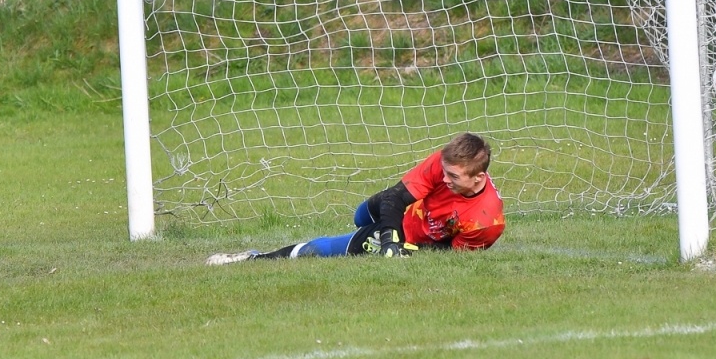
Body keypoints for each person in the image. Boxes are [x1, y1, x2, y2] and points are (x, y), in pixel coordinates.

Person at [206, 132, 504, 264]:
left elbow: (451, 258)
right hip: (400, 216)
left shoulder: (486, 222)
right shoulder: (443, 163)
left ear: (478, 178)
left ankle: (253, 258)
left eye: (453, 177)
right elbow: (395, 198)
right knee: (363, 213)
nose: (445, 178)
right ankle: (376, 231)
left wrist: (402, 249)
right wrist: (390, 239)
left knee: (324, 249)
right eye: (445, 172)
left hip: (418, 237)